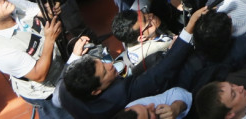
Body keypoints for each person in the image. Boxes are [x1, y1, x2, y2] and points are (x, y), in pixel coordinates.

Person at [60, 7, 208, 119]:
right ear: (96, 91)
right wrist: (189, 28)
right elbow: (160, 72)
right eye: (105, 71)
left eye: (102, 63)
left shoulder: (64, 88)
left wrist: (74, 54)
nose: (110, 64)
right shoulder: (121, 94)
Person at [0, 0, 90, 119]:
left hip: (63, 67)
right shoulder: (1, 52)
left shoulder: (13, 3)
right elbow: (39, 75)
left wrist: (49, 11)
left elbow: (42, 12)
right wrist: (49, 40)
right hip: (47, 92)